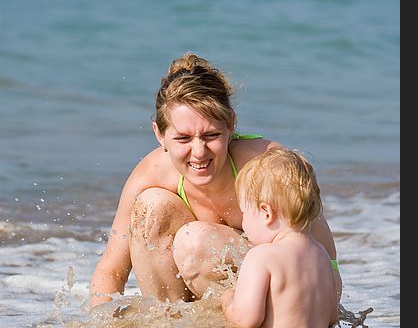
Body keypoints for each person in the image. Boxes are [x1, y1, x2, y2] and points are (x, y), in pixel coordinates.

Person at [89, 53, 341, 308]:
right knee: (151, 206)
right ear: (159, 134)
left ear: (231, 125)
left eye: (211, 135)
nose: (199, 151)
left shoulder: (266, 166)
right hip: (220, 304)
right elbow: (111, 272)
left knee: (195, 240)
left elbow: (322, 258)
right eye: (183, 139)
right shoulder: (151, 173)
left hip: (286, 304)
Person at [221, 148, 337, 328]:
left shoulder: (262, 256)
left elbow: (246, 319)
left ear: (265, 213)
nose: (244, 224)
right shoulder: (320, 255)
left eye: (245, 213)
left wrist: (227, 300)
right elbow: (331, 317)